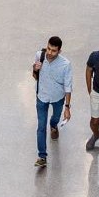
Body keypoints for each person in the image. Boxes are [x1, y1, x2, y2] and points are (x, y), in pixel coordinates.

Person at [31, 36, 72, 167]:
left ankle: (53, 125)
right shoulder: (40, 55)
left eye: (54, 51)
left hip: (57, 98)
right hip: (42, 97)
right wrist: (35, 69)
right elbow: (34, 75)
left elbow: (68, 86)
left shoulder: (65, 64)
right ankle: (42, 156)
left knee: (55, 117)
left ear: (59, 51)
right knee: (41, 127)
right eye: (48, 48)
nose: (49, 52)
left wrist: (67, 107)